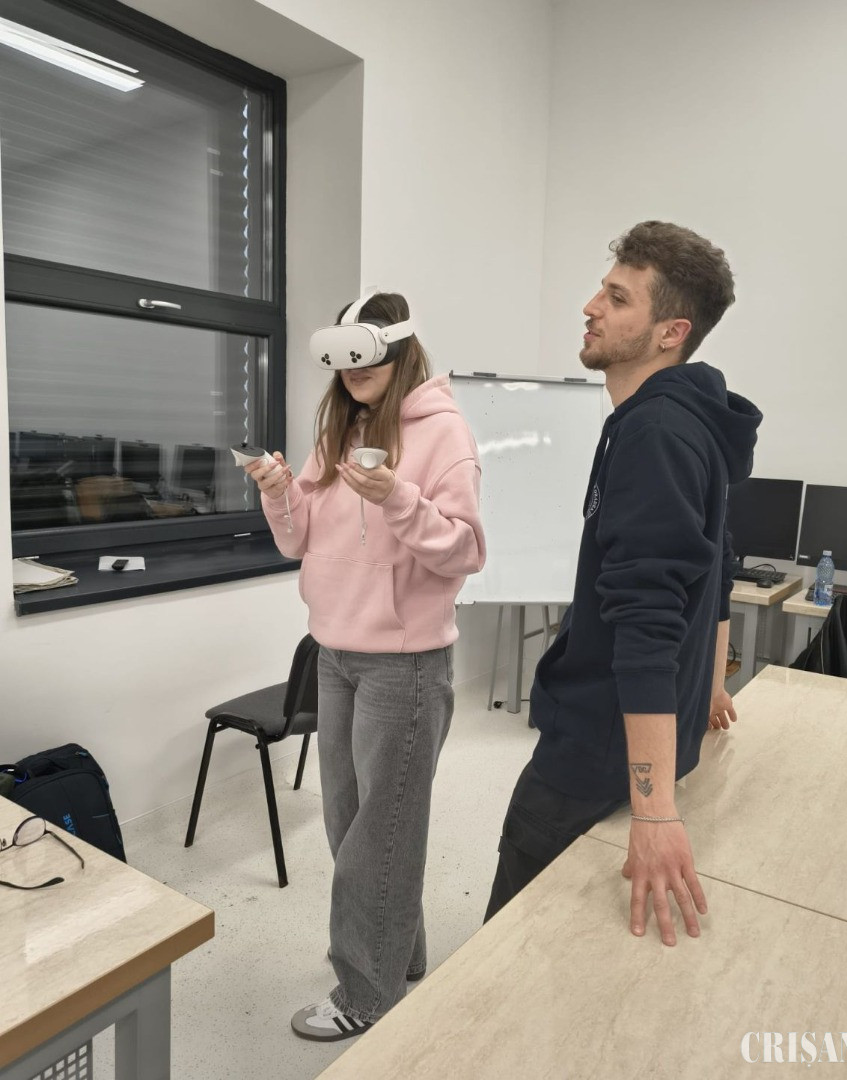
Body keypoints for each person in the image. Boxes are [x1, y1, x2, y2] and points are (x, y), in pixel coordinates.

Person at [485, 221, 761, 945]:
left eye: (617, 298)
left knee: (509, 938)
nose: (590, 307)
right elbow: (718, 563)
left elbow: (647, 620)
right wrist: (711, 684)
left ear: (671, 332)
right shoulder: (684, 421)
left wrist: (655, 811)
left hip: (595, 745)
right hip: (636, 735)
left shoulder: (655, 432)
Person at [248, 292, 486, 1040]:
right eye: (342, 358)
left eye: (366, 354)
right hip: (335, 655)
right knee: (351, 823)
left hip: (404, 667)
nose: (352, 371)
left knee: (380, 834)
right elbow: (299, 540)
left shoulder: (443, 432)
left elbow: (466, 550)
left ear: (397, 351)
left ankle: (365, 994)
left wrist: (399, 501)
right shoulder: (340, 431)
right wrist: (279, 494)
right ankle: (397, 955)